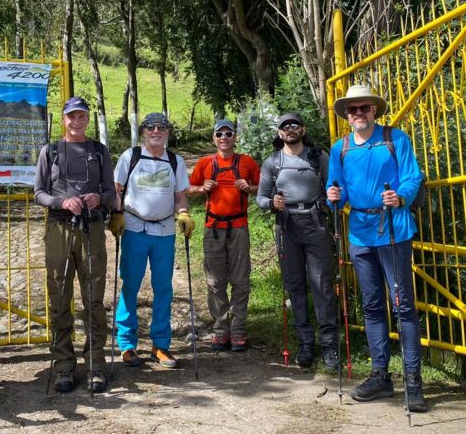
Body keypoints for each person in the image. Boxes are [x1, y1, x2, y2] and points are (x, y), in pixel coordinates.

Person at [326, 84, 427, 412]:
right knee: (371, 306)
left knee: (403, 306)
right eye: (353, 110)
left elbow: (413, 177)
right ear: (346, 115)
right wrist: (333, 196)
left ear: (374, 111)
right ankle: (381, 375)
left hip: (395, 230)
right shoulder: (340, 148)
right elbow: (335, 186)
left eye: (364, 108)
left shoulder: (395, 139)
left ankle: (413, 380)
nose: (358, 114)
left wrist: (400, 196)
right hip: (359, 234)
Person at [33, 96, 117, 393]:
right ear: (64, 119)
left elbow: (111, 191)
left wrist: (100, 198)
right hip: (59, 229)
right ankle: (64, 367)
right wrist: (60, 201)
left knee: (93, 299)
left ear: (87, 119)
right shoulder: (51, 150)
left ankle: (95, 364)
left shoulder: (99, 151)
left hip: (92, 229)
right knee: (59, 298)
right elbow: (39, 193)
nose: (76, 121)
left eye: (81, 116)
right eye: (72, 117)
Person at [256, 112, 339, 372]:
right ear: (279, 134)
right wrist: (272, 203)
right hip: (287, 225)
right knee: (295, 285)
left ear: (302, 129)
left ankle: (329, 346)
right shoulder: (272, 162)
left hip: (315, 223)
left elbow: (334, 188)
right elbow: (260, 198)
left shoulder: (318, 156)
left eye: (294, 125)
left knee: (322, 285)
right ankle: (305, 344)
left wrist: (333, 197)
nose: (290, 129)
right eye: (285, 126)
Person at [114, 112, 194, 369]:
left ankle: (160, 345)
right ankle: (127, 344)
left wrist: (183, 214)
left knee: (164, 288)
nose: (156, 131)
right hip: (135, 228)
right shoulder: (131, 156)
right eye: (151, 127)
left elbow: (180, 195)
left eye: (161, 127)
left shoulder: (175, 160)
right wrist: (116, 215)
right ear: (144, 132)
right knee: (131, 284)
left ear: (168, 133)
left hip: (164, 230)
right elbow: (116, 191)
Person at [187, 119, 260, 352]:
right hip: (213, 228)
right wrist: (202, 188)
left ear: (235, 137)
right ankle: (220, 328)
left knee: (240, 280)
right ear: (214, 138)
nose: (224, 138)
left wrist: (249, 187)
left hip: (239, 227)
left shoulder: (246, 162)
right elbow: (188, 189)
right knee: (215, 281)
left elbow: (265, 186)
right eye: (219, 134)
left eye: (229, 133)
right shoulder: (205, 163)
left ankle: (238, 329)